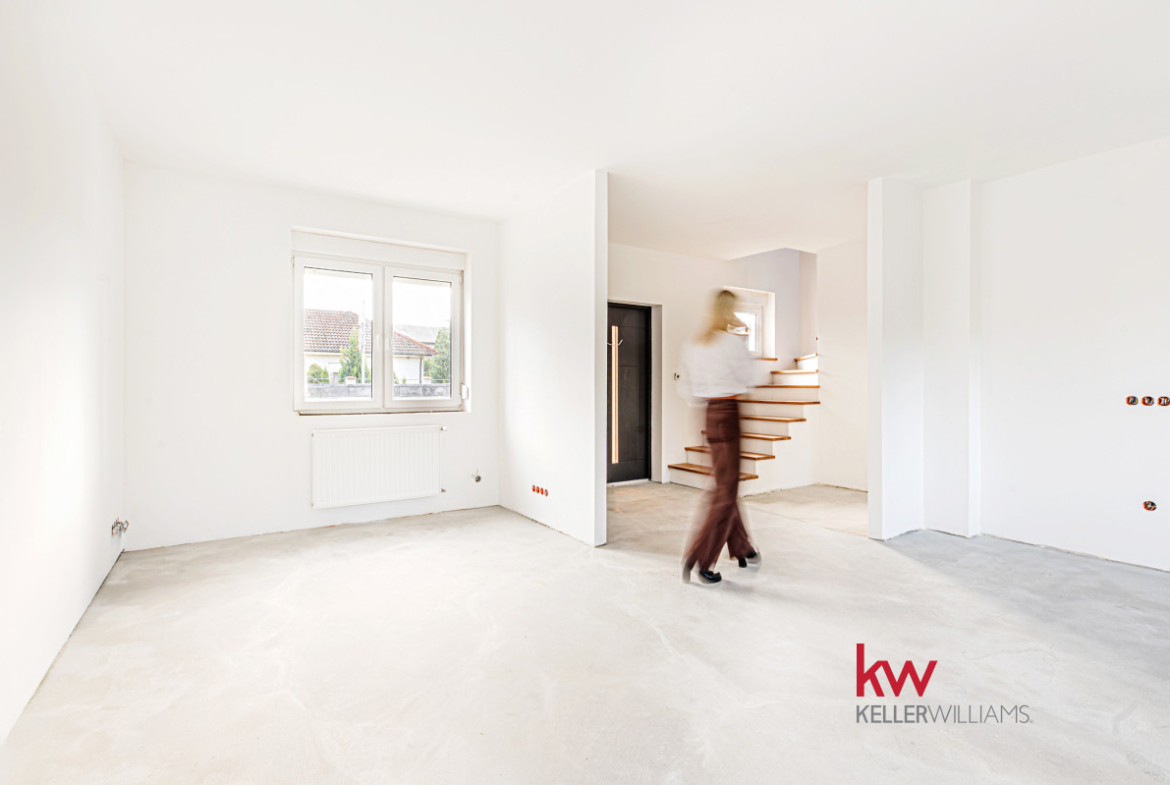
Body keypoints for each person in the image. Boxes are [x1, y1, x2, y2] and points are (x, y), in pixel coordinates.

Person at [678, 290, 761, 585]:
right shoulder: (731, 343)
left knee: (726, 485)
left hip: (709, 414)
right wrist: (745, 337)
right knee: (726, 490)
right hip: (728, 412)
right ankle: (701, 557)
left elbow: (686, 389)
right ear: (731, 312)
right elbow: (750, 379)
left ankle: (742, 547)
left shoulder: (694, 344)